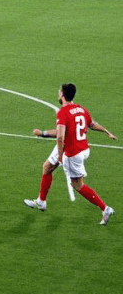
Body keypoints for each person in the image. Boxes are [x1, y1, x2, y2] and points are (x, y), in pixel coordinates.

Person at [24, 83, 116, 224]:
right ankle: (41, 201)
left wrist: (61, 157)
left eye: (59, 91)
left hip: (72, 152)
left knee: (78, 185)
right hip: (82, 147)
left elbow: (60, 137)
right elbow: (91, 124)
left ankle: (105, 209)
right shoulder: (80, 109)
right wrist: (106, 131)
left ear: (62, 94)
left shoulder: (63, 112)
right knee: (47, 167)